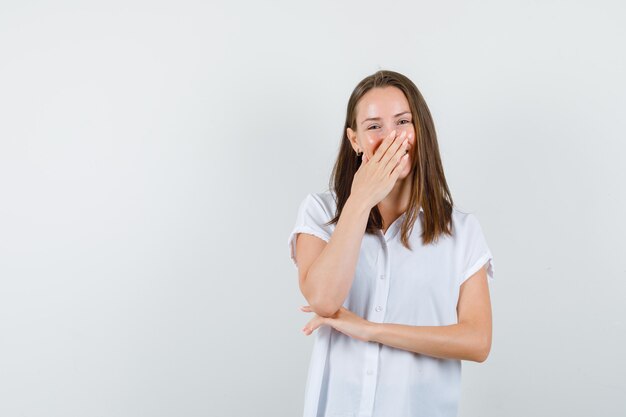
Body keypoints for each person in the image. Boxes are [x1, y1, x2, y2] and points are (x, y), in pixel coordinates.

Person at [287, 69, 495, 417]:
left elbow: (477, 341)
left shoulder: (461, 230)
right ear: (354, 141)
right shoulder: (320, 212)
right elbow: (324, 299)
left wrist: (372, 330)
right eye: (374, 127)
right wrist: (360, 200)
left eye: (402, 122)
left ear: (421, 131)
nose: (392, 137)